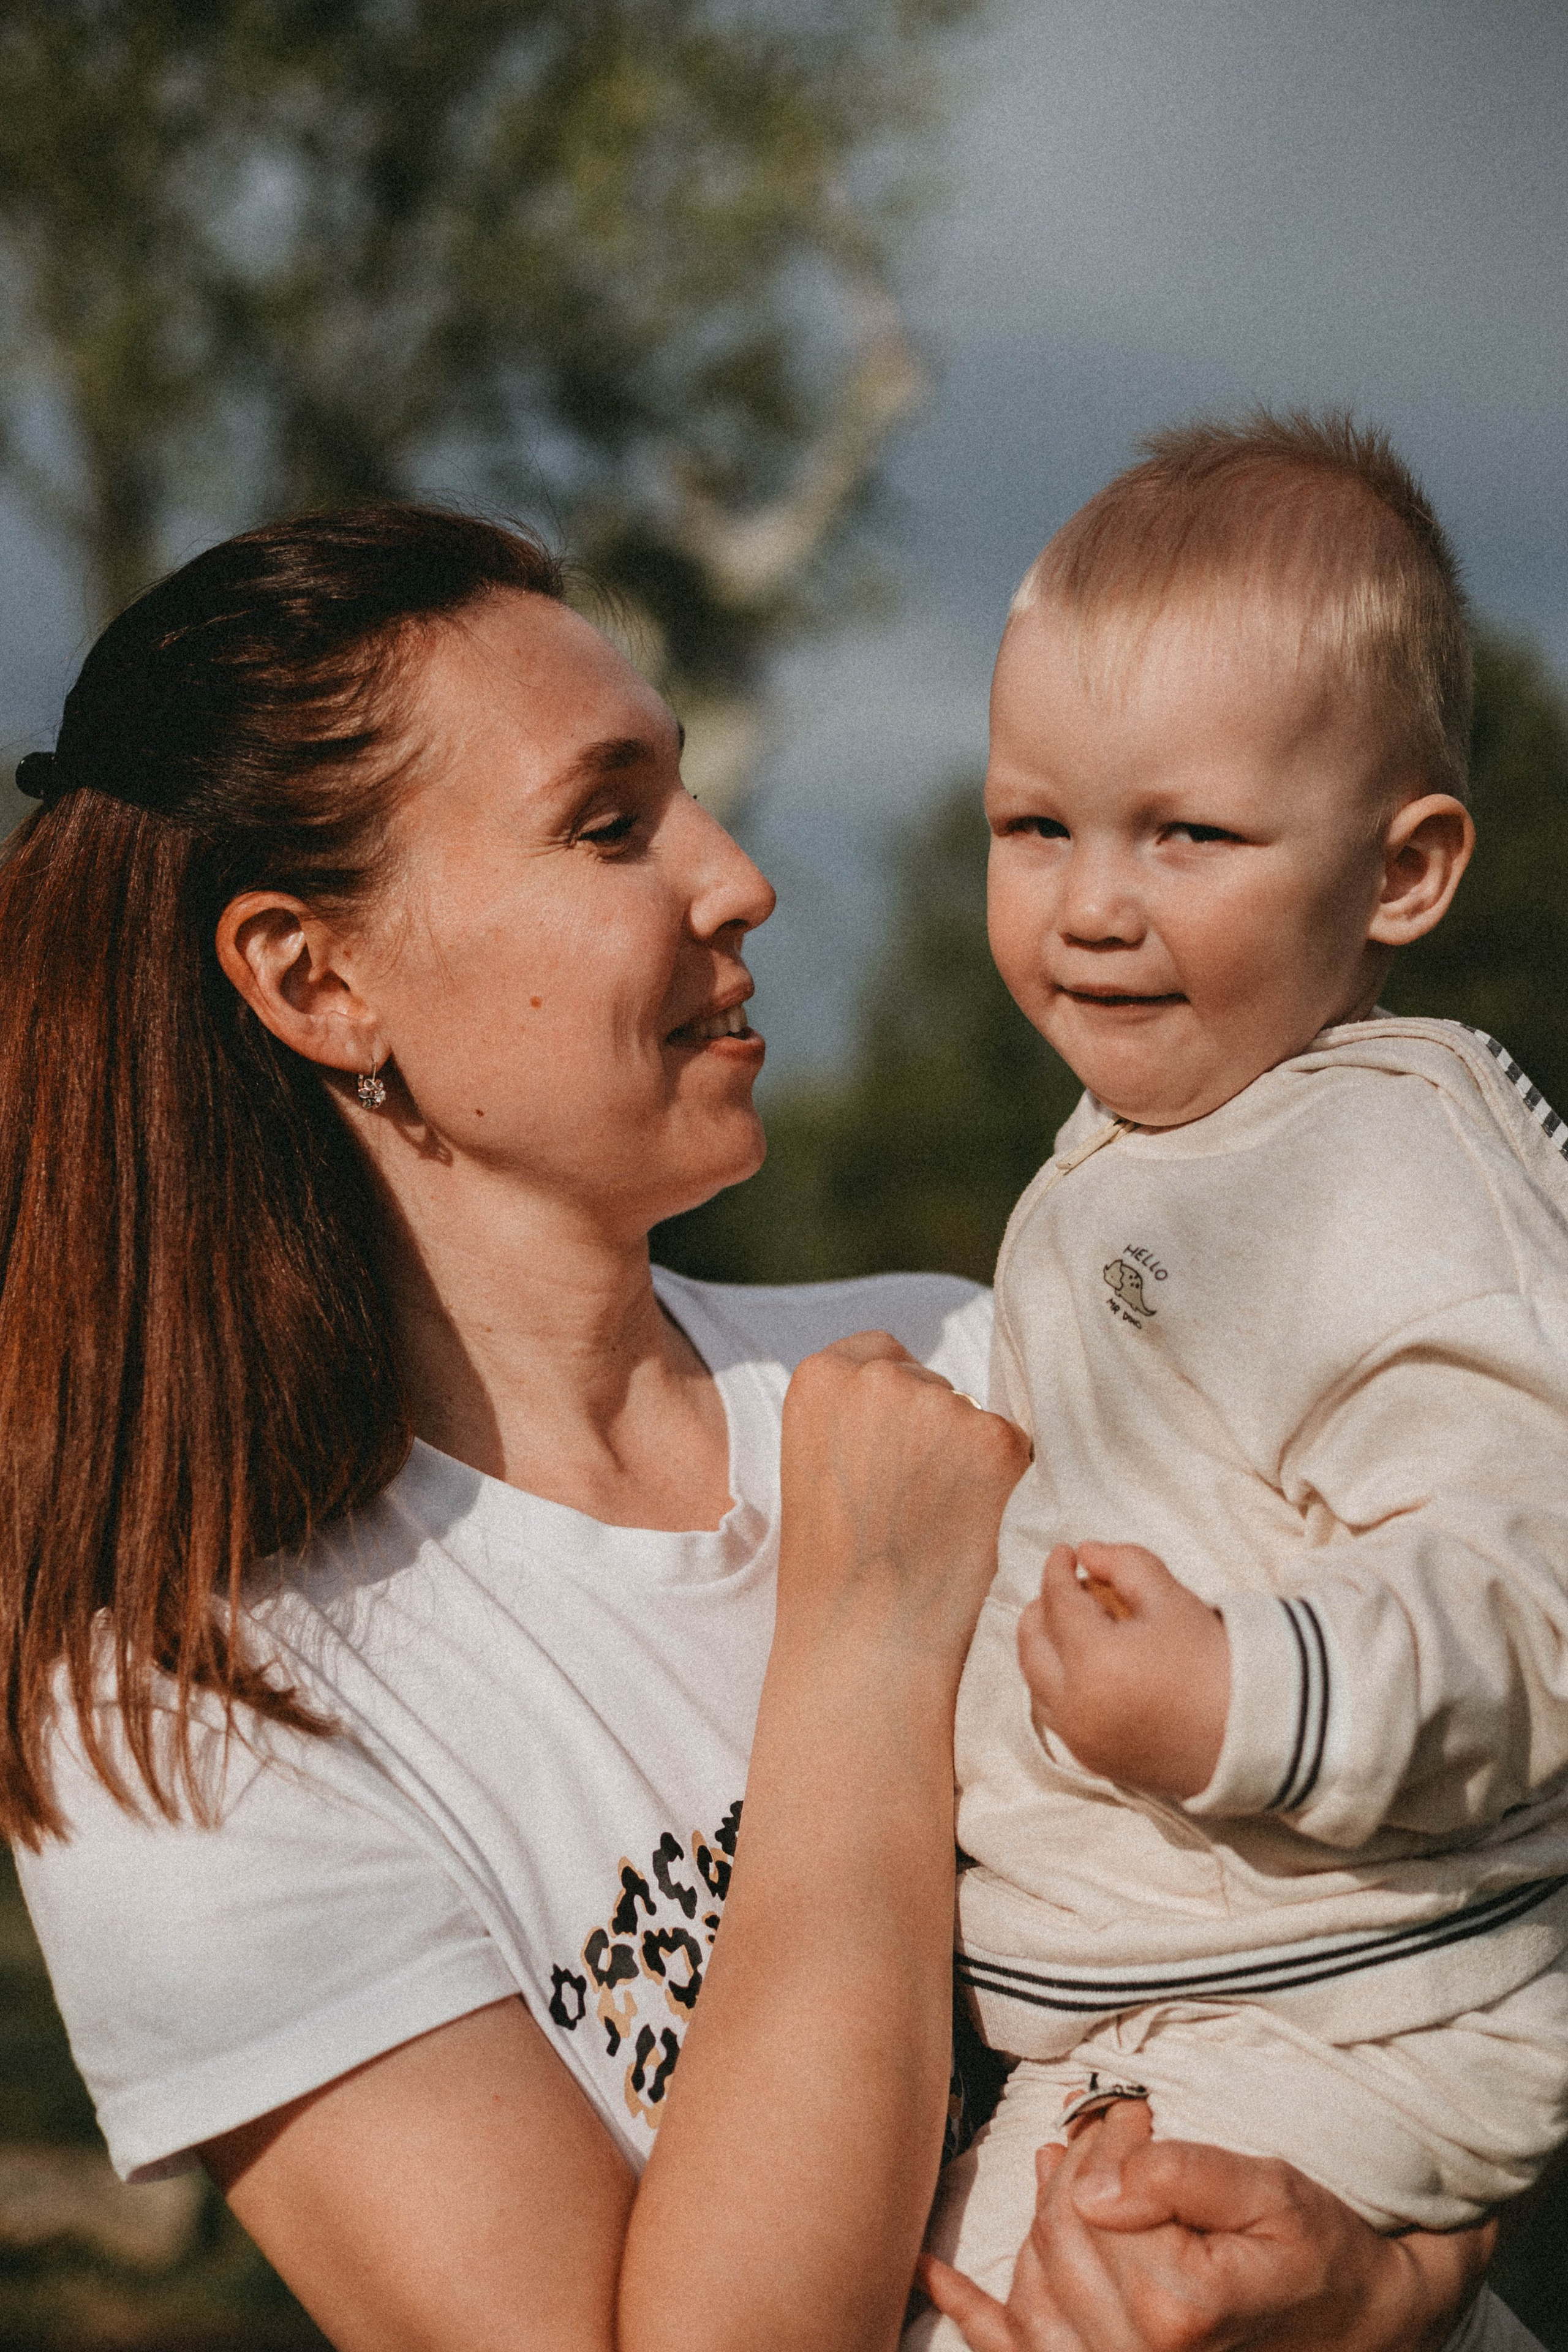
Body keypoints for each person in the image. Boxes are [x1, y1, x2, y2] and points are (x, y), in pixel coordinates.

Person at [0, 505, 1501, 2352]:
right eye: (609, 821)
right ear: (320, 979)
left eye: (687, 797)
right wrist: (867, 1642)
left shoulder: (982, 1358)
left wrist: (1394, 2277)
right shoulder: (189, 1719)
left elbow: (1450, 1872)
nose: (737, 877)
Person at [914, 414, 1566, 2351]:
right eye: (1037, 827)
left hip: (1355, 1991)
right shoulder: (1136, 1158)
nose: (1092, 902)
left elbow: (1531, 1579)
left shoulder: (1393, 1168)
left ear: (1404, 868)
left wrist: (1238, 1692)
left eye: (1183, 834)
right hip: (1172, 1995)